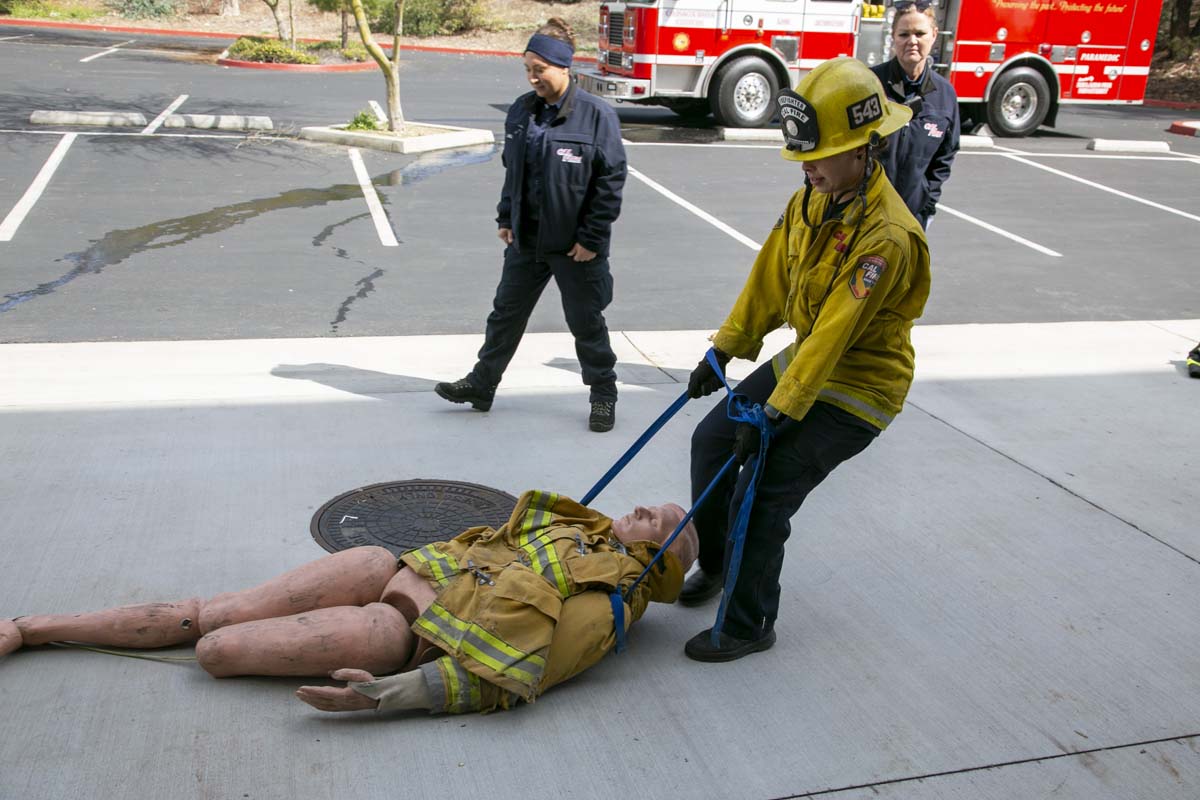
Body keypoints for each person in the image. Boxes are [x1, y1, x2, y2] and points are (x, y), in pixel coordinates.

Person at [0, 491, 697, 716]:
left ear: (659, 561)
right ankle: (31, 628)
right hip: (388, 567)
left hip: (396, 629)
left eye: (656, 519)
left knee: (218, 651)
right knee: (210, 613)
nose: (638, 507)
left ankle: (36, 631)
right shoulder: (576, 526)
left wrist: (396, 695)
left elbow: (527, 671)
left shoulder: (610, 604)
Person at [678, 58, 931, 663]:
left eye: (820, 155)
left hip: (858, 388)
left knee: (762, 491)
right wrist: (726, 347)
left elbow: (836, 335)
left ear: (864, 148)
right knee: (712, 441)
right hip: (808, 360)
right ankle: (718, 565)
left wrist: (778, 412)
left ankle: (747, 622)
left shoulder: (887, 238)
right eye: (802, 156)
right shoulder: (813, 200)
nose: (807, 167)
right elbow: (769, 278)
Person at [435, 18, 628, 433]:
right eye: (527, 69)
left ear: (563, 68)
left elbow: (610, 181)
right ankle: (482, 385)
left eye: (539, 69)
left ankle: (603, 395)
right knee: (505, 314)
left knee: (586, 322)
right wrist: (507, 216)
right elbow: (513, 170)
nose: (532, 77)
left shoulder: (596, 117)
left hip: (575, 247)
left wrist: (591, 238)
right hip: (526, 239)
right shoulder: (523, 111)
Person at [870, 0, 960, 229]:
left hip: (911, 218)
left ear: (934, 35)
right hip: (865, 212)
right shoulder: (869, 84)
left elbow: (945, 155)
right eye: (904, 34)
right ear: (893, 37)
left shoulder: (945, 95)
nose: (912, 41)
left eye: (920, 33)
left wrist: (927, 204)